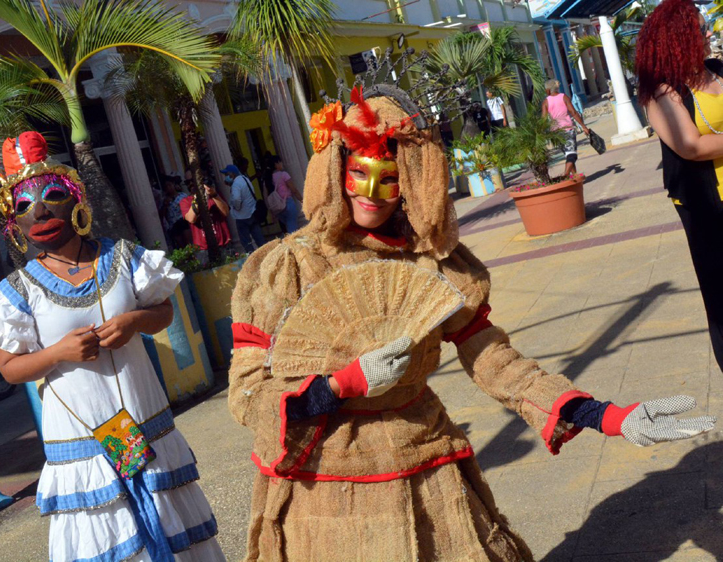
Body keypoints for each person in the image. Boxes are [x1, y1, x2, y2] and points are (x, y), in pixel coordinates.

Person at [228, 80, 715, 560]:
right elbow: (247, 394)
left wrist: (603, 415)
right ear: (336, 171)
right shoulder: (287, 266)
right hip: (326, 489)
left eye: (390, 177)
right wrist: (338, 386)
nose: (373, 193)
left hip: (426, 463)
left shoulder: (435, 264)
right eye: (360, 172)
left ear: (414, 182)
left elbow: (494, 361)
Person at [0, 132, 223, 562]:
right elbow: (10, 369)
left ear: (76, 200)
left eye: (51, 195)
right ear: (13, 224)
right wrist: (58, 354)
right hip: (80, 441)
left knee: (177, 537)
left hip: (143, 423)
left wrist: (133, 322)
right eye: (24, 206)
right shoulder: (17, 292)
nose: (42, 211)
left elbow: (162, 312)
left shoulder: (124, 257)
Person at [637, 0, 723, 372]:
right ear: (676, 38)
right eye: (698, 28)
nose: (707, 33)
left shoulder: (718, 69)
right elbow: (690, 146)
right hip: (709, 207)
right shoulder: (663, 91)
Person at [542, 79, 591, 177]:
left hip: (556, 133)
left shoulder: (546, 102)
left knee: (569, 155)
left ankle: (575, 177)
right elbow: (573, 112)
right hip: (568, 130)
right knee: (571, 155)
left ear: (548, 90)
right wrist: (583, 126)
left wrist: (543, 134)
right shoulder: (564, 97)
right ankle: (566, 175)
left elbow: (543, 120)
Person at [222, 164, 265, 252]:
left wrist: (236, 207)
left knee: (246, 242)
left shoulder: (236, 184)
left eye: (226, 175)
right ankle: (266, 253)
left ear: (232, 174)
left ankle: (252, 258)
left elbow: (237, 199)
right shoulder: (245, 179)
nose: (226, 177)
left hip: (242, 216)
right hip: (252, 212)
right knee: (259, 238)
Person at [180, 178, 232, 252]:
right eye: (189, 182)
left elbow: (225, 212)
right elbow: (191, 219)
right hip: (203, 248)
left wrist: (214, 194)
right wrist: (197, 199)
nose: (192, 184)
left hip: (223, 244)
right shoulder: (186, 201)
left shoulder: (216, 196)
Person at [271, 157, 304, 234]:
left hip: (277, 207)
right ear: (276, 164)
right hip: (288, 203)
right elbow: (293, 189)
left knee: (288, 226)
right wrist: (301, 199)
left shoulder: (269, 178)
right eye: (280, 162)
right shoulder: (284, 174)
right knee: (293, 229)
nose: (282, 164)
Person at [163, 176, 191, 249]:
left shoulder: (183, 196)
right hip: (173, 225)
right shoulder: (165, 200)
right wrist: (165, 205)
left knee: (189, 243)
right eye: (166, 186)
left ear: (173, 184)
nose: (169, 188)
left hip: (183, 221)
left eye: (170, 185)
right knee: (181, 246)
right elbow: (163, 215)